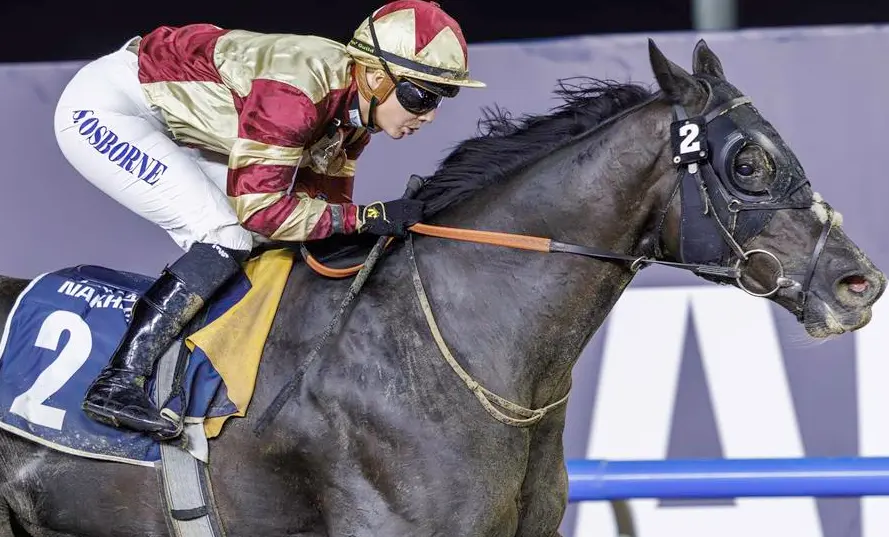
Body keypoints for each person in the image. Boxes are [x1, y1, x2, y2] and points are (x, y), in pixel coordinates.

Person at [52, 0, 486, 440]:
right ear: (375, 77)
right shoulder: (296, 93)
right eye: (421, 95)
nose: (429, 114)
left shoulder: (354, 121)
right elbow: (262, 212)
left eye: (440, 98)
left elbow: (321, 211)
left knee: (263, 237)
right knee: (228, 232)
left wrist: (370, 227)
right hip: (109, 108)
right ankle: (117, 381)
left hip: (180, 122)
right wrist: (366, 217)